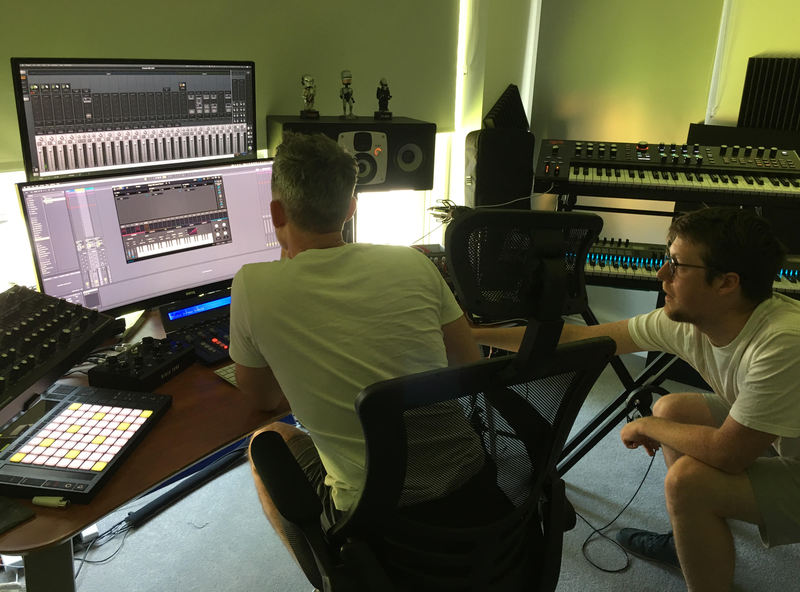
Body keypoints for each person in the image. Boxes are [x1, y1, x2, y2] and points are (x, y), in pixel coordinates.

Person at [472, 207, 800, 592]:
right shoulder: (690, 320)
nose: (662, 274)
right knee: (673, 409)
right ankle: (692, 538)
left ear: (726, 283)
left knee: (688, 483)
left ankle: (701, 530)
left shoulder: (783, 341)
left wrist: (648, 426)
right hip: (786, 435)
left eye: (677, 265)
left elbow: (729, 454)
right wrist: (470, 332)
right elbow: (579, 341)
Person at [228, 132, 490, 586]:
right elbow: (469, 367)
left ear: (277, 213)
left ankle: (331, 577)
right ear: (350, 208)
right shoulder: (413, 263)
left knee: (266, 438)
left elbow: (262, 400)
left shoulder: (253, 286)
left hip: (369, 514)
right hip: (471, 485)